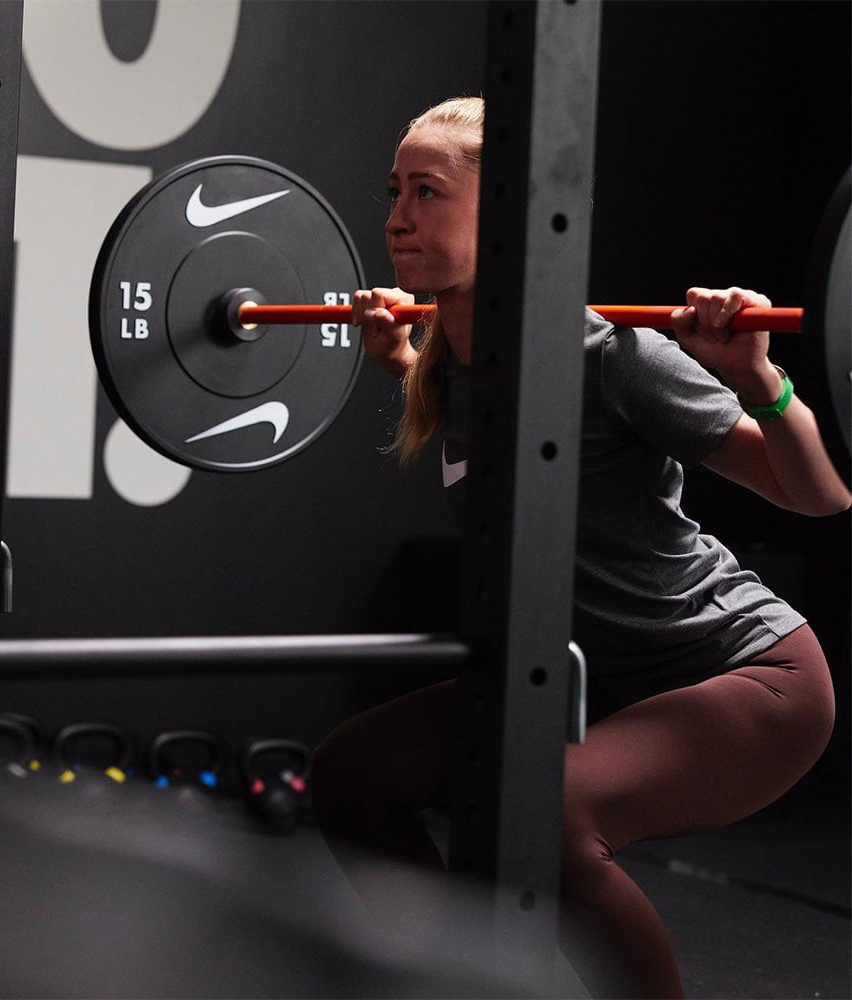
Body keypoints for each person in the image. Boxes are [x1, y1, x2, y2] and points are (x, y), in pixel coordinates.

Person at [310, 96, 851, 999]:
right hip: (583, 679)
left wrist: (760, 377)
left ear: (511, 214)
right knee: (352, 775)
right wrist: (401, 361)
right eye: (395, 192)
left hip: (746, 677)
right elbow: (498, 434)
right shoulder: (455, 363)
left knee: (544, 822)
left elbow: (819, 496)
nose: (398, 218)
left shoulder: (617, 356)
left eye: (427, 192)